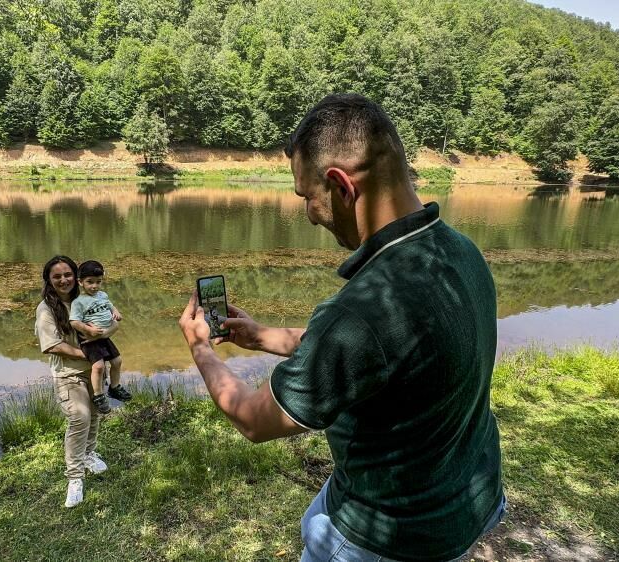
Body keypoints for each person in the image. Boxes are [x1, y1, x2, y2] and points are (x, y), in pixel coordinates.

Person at [178, 94, 505, 561]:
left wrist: (201, 349)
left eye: (306, 198)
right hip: (465, 503)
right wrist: (260, 336)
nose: (309, 215)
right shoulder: (458, 252)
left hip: (386, 537)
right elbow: (382, 355)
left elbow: (253, 419)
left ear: (340, 184)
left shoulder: (365, 309)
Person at [35, 255, 116, 507]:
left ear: (76, 277)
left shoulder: (89, 299)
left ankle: (89, 454)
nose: (63, 280)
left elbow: (110, 325)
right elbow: (51, 346)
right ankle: (75, 477)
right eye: (57, 276)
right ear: (49, 280)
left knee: (94, 414)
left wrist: (104, 335)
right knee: (79, 417)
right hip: (68, 374)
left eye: (67, 274)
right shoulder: (46, 309)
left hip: (95, 370)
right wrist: (87, 353)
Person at [69, 260, 133, 414]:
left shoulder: (103, 295)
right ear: (80, 282)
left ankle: (114, 387)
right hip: (89, 340)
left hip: (104, 336)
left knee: (117, 361)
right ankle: (98, 395)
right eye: (90, 282)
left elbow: (110, 305)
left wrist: (116, 312)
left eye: (98, 282)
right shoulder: (79, 302)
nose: (94, 286)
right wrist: (87, 329)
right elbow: (74, 322)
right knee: (98, 367)